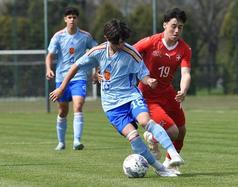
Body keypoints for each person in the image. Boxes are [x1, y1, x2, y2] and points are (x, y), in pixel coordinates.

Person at [50, 19, 183, 177]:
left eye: (122, 42)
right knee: (133, 137)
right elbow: (75, 66)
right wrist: (61, 87)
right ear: (107, 37)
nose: (120, 45)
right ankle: (160, 168)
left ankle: (173, 153)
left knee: (145, 121)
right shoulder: (97, 51)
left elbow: (143, 74)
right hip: (112, 106)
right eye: (116, 43)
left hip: (130, 96)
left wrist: (149, 80)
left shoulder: (131, 52)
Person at [134, 8, 192, 173]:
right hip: (148, 95)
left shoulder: (184, 49)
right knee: (172, 132)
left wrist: (183, 90)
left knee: (181, 131)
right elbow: (129, 53)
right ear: (165, 24)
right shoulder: (151, 42)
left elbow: (186, 73)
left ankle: (169, 163)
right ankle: (152, 137)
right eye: (173, 25)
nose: (176, 30)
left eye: (180, 27)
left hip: (169, 94)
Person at [45, 7, 97, 151]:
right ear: (65, 19)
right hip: (61, 78)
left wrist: (96, 72)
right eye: (69, 17)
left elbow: (97, 53)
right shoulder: (58, 36)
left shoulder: (85, 36)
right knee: (62, 111)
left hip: (79, 77)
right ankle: (61, 142)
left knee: (78, 105)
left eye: (74, 17)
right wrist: (49, 69)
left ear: (77, 19)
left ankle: (77, 141)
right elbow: (49, 55)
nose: (72, 20)